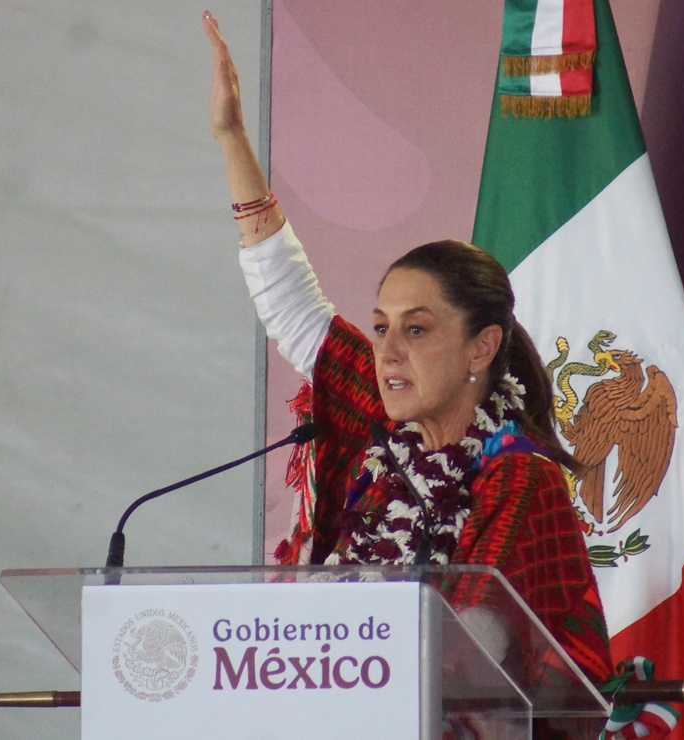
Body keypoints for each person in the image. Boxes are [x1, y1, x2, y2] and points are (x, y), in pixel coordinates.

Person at [202, 10, 617, 734]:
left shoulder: (519, 478)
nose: (387, 350)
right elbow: (290, 304)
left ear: (481, 349)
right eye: (381, 326)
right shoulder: (381, 437)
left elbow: (475, 643)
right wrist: (231, 139)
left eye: (416, 330)